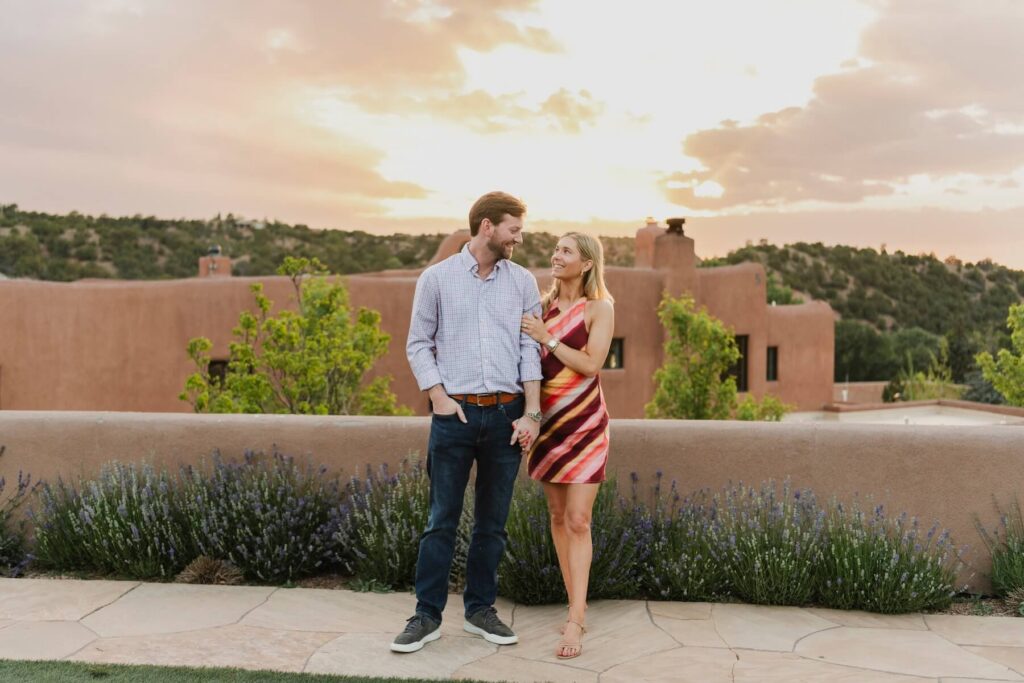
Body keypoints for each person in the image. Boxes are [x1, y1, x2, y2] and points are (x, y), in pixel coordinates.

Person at [392, 191, 544, 654]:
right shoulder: (436, 279)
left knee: (492, 524)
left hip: (505, 416)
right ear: (487, 227)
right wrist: (438, 397)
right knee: (441, 520)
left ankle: (480, 611)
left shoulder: (522, 282)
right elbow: (419, 342)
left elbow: (528, 350)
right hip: (453, 414)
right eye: (514, 229)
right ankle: (426, 616)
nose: (519, 237)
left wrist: (531, 414)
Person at [518, 232, 614, 660]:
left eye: (566, 252)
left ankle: (575, 617)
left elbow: (591, 365)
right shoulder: (540, 307)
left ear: (587, 263)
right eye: (556, 250)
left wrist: (548, 339)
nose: (556, 257)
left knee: (579, 519)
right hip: (548, 427)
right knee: (558, 517)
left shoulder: (600, 308)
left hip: (586, 426)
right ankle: (576, 601)